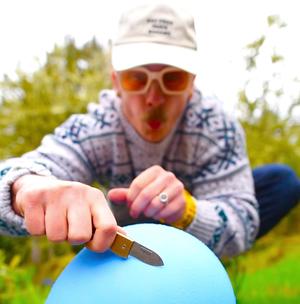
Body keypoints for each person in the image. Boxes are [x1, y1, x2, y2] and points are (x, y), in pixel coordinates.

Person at [0, 3, 299, 258]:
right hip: (120, 226)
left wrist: (188, 210)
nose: (153, 97)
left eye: (172, 79)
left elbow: (243, 225)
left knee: (281, 182)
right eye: (135, 79)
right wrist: (24, 187)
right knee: (79, 211)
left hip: (193, 224)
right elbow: (26, 171)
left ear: (191, 83)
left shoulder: (216, 126)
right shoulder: (95, 128)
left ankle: (199, 266)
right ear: (116, 83)